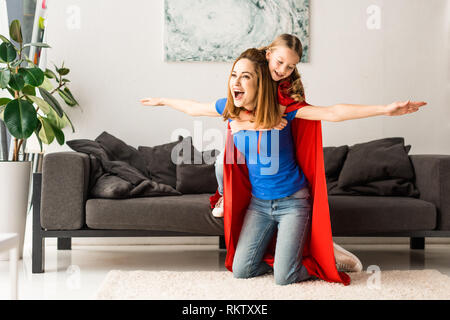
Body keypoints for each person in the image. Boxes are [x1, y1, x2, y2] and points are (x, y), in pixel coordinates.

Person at [140, 43, 426, 285]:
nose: (236, 82)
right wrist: (163, 100)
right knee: (242, 271)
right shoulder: (229, 110)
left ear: (260, 82)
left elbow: (334, 112)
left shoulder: (285, 111)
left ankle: (327, 258)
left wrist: (385, 110)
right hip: (259, 205)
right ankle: (296, 254)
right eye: (233, 75)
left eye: (245, 77)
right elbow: (193, 106)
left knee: (284, 277)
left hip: (293, 203)